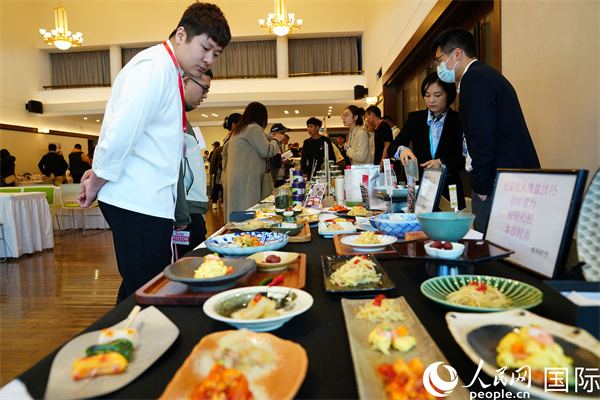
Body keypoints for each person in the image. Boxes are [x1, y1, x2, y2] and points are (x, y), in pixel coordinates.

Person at [77, 2, 231, 303]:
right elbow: (122, 132)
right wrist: (96, 181)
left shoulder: (169, 70)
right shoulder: (153, 67)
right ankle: (127, 344)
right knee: (148, 292)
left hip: (148, 201)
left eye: (217, 54)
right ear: (182, 34)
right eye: (205, 48)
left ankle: (123, 341)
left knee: (142, 287)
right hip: (138, 203)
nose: (209, 60)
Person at [431, 28, 540, 232]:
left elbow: (481, 136)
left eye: (439, 60)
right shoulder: (486, 75)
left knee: (489, 248)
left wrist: (481, 187)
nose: (438, 66)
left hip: (498, 181)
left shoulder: (475, 79)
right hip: (506, 177)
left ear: (456, 54)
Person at [388, 72, 466, 210]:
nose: (431, 100)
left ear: (448, 94)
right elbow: (392, 146)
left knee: (448, 229)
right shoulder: (415, 119)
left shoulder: (459, 120)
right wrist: (402, 149)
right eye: (427, 95)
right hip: (420, 190)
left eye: (437, 95)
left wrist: (442, 163)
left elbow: (463, 159)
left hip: (449, 188)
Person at [222, 102, 285, 222]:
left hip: (237, 177)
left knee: (237, 211)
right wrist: (276, 140)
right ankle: (247, 236)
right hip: (247, 179)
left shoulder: (240, 129)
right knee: (248, 212)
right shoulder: (253, 128)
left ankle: (237, 235)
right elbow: (267, 151)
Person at [174, 70, 213, 257]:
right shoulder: (171, 115)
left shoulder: (180, 116)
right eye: (204, 88)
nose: (204, 96)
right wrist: (181, 213)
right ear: (186, 82)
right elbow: (176, 168)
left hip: (191, 208)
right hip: (186, 211)